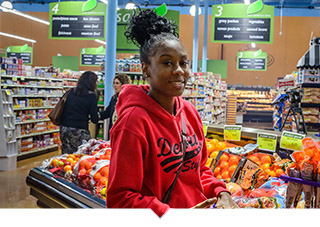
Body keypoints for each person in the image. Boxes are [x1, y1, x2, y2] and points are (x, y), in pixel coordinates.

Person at [106, 9, 237, 217]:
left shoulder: (190, 112)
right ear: (146, 69)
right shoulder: (132, 122)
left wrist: (221, 192)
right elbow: (120, 198)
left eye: (183, 63)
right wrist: (168, 213)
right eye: (167, 62)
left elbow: (199, 170)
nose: (179, 70)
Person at [59, 71, 99, 154]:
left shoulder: (70, 92)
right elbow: (94, 119)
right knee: (81, 156)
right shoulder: (91, 96)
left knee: (66, 157)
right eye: (96, 81)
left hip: (64, 129)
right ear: (91, 83)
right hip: (79, 131)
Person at [99, 73, 130, 140]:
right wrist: (97, 115)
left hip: (123, 131)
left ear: (123, 84)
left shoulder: (128, 98)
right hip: (113, 130)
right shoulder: (114, 98)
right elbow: (107, 112)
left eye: (117, 83)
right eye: (114, 83)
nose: (114, 85)